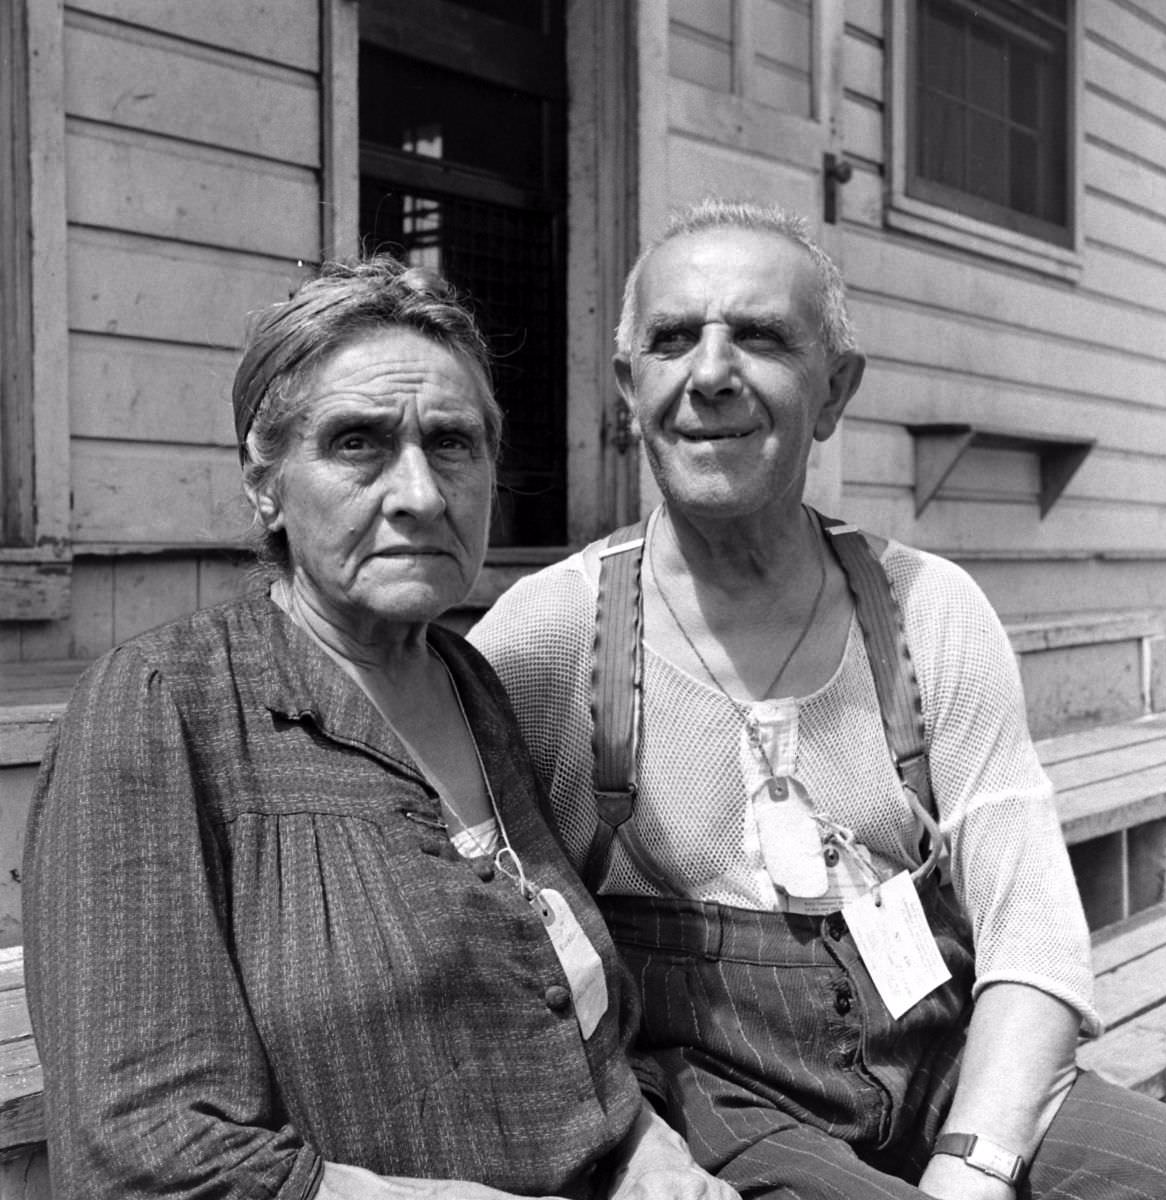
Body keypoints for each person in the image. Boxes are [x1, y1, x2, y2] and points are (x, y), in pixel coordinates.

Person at [470, 199, 1166, 1199]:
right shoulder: (547, 633)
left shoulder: (925, 610)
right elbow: (484, 932)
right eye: (674, 339)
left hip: (938, 1058)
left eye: (762, 337)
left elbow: (1029, 923)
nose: (711, 374)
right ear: (629, 388)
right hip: (716, 1094)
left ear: (835, 389)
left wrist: (975, 1166)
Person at [22, 255, 739, 1200]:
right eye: (359, 443)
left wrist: (651, 1149)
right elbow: (145, 1152)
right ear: (265, 481)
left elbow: (572, 1012)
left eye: (453, 443)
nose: (422, 495)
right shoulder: (164, 706)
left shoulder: (470, 685)